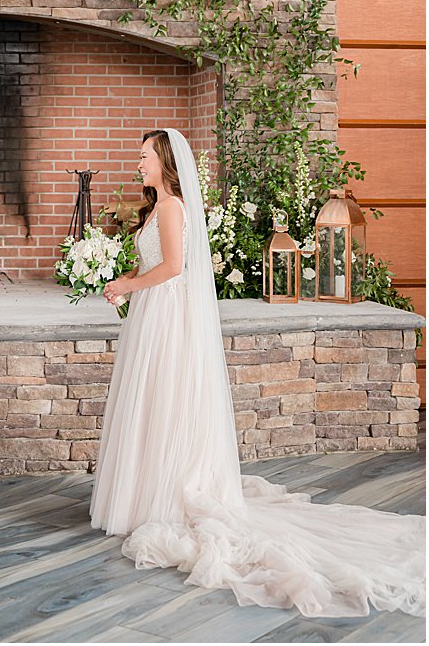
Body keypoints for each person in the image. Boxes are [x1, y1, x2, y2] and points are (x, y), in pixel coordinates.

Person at [93, 128, 425, 618]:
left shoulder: (169, 208)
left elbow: (174, 268)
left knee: (161, 400)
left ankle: (156, 497)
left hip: (163, 312)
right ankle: (147, 492)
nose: (137, 164)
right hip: (156, 313)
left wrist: (126, 283)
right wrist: (129, 288)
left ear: (164, 162)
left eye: (143, 157)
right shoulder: (160, 207)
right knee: (154, 401)